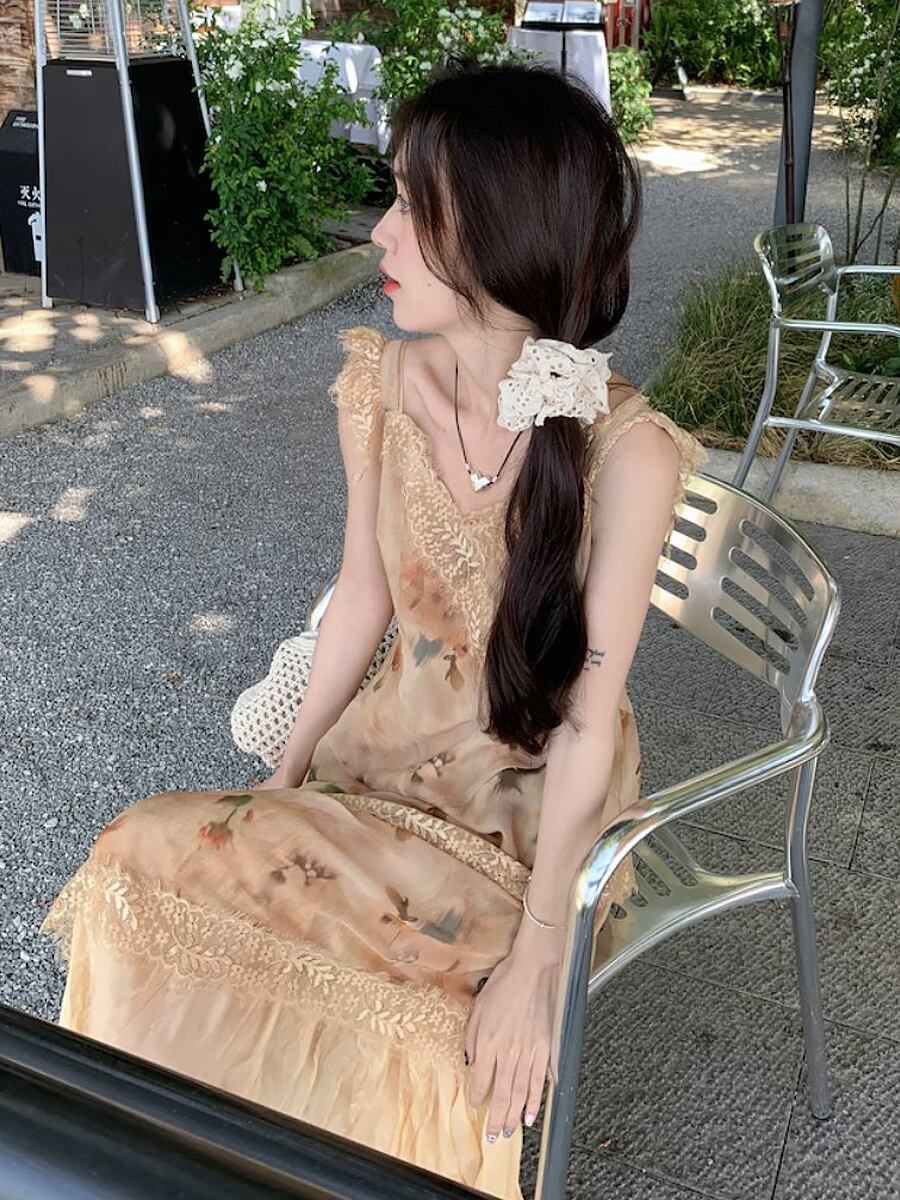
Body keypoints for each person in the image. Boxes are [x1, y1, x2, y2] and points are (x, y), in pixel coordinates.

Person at [41, 61, 705, 1199]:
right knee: (136, 859)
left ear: (498, 232)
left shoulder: (624, 453)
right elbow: (361, 598)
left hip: (528, 826)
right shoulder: (382, 387)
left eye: (409, 205)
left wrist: (540, 956)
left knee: (420, 1024)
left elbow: (587, 725)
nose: (379, 232)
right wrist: (283, 781)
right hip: (377, 771)